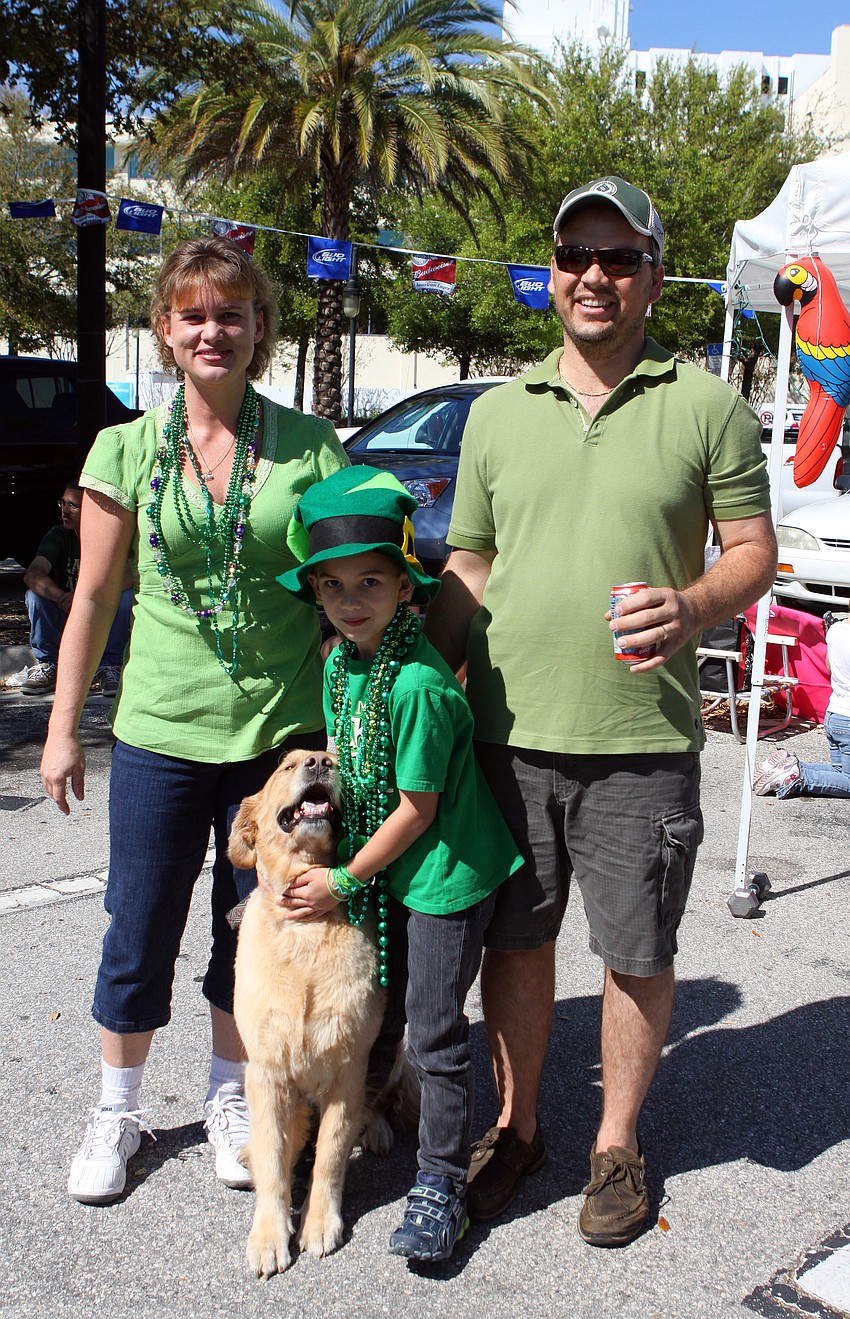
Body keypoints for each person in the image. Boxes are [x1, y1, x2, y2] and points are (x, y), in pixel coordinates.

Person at [423, 175, 778, 1247]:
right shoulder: (497, 411)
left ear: (654, 276)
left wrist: (696, 602)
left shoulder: (706, 403)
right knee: (517, 945)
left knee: (635, 948)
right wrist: (403, 689)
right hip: (504, 733)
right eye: (575, 254)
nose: (593, 274)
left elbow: (754, 554)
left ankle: (615, 1143)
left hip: (640, 740)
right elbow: (470, 561)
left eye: (618, 258)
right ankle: (518, 1124)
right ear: (550, 273)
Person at [39, 235, 349, 1206]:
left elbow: (348, 591)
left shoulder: (308, 447)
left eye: (231, 312)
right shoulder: (123, 448)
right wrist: (59, 726)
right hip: (160, 732)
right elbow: (90, 596)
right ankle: (118, 1107)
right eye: (192, 314)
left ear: (260, 327)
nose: (212, 329)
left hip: (276, 738)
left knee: (248, 925)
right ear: (167, 331)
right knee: (138, 924)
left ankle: (230, 1096)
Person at [276, 466, 523, 1263]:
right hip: (389, 866)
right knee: (383, 1007)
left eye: (371, 582)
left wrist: (346, 878)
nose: (352, 599)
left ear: (408, 587)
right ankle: (351, 1134)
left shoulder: (415, 682)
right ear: (316, 592)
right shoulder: (341, 662)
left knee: (436, 1027)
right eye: (334, 584)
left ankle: (442, 1179)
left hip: (442, 874)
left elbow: (416, 808)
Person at [4, 483, 132, 695]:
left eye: (73, 505)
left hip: (98, 614)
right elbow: (33, 575)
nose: (65, 510)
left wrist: (84, 597)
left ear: (91, 509)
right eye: (62, 503)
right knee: (34, 595)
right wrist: (63, 596)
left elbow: (130, 575)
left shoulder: (109, 535)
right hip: (65, 612)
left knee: (126, 596)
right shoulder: (58, 535)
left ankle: (110, 665)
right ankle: (48, 665)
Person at [755, 612, 850, 798]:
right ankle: (798, 776)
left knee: (840, 772)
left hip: (835, 714)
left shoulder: (836, 630)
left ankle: (787, 766)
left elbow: (830, 667)